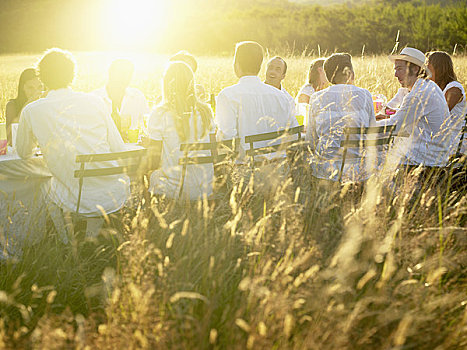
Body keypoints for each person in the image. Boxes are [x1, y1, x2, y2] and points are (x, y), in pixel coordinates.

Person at [16, 48, 129, 220]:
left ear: (42, 77)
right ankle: (93, 235)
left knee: (45, 183)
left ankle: (67, 241)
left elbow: (23, 153)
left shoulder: (31, 110)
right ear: (72, 75)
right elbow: (119, 148)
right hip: (113, 192)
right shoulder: (95, 101)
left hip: (72, 199)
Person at [215, 41, 297, 159]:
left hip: (245, 168)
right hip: (278, 167)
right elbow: (293, 135)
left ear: (236, 64)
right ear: (260, 65)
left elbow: (226, 139)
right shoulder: (281, 96)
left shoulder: (228, 95)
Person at [147, 61, 214, 200]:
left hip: (175, 189)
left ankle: (149, 218)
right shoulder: (205, 111)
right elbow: (214, 151)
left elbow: (153, 160)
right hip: (205, 188)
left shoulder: (160, 114)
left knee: (147, 174)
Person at [306, 53, 377, 182]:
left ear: (328, 76)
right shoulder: (365, 95)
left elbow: (311, 140)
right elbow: (372, 133)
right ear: (350, 72)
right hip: (359, 170)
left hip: (326, 171)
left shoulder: (316, 98)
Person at [378, 47, 451, 168]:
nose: (395, 74)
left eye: (400, 69)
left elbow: (394, 126)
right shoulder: (427, 86)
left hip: (426, 159)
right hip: (433, 154)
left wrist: (365, 124)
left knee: (371, 154)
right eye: (395, 69)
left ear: (415, 69)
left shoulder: (419, 94)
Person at [94, 59, 149, 138]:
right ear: (110, 74)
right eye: (122, 74)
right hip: (105, 149)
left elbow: (146, 127)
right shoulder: (95, 98)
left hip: (134, 148)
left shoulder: (138, 96)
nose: (126, 78)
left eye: (129, 74)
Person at [426, 51, 466, 155]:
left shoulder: (454, 89)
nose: (425, 70)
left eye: (428, 66)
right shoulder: (436, 88)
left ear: (438, 68)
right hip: (441, 137)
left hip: (454, 141)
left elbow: (440, 115)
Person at [5, 68, 42, 145]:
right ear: (23, 88)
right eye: (30, 88)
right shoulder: (12, 105)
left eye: (40, 87)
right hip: (19, 152)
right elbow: (10, 139)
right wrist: (27, 105)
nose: (36, 92)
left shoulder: (44, 104)